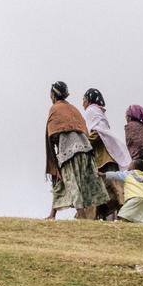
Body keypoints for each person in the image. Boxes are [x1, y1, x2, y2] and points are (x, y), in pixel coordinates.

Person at [44, 81, 109, 220]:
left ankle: (81, 213)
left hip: (68, 151)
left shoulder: (55, 109)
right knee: (73, 181)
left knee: (70, 181)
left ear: (53, 94)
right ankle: (52, 214)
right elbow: (82, 128)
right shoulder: (73, 109)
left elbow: (54, 132)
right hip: (85, 148)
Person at [81, 87, 131, 221]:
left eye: (84, 100)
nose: (82, 103)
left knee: (109, 187)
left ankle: (114, 215)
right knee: (112, 187)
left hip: (102, 157)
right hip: (109, 154)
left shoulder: (91, 111)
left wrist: (82, 144)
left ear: (88, 100)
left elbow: (97, 133)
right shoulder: (99, 112)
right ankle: (118, 216)